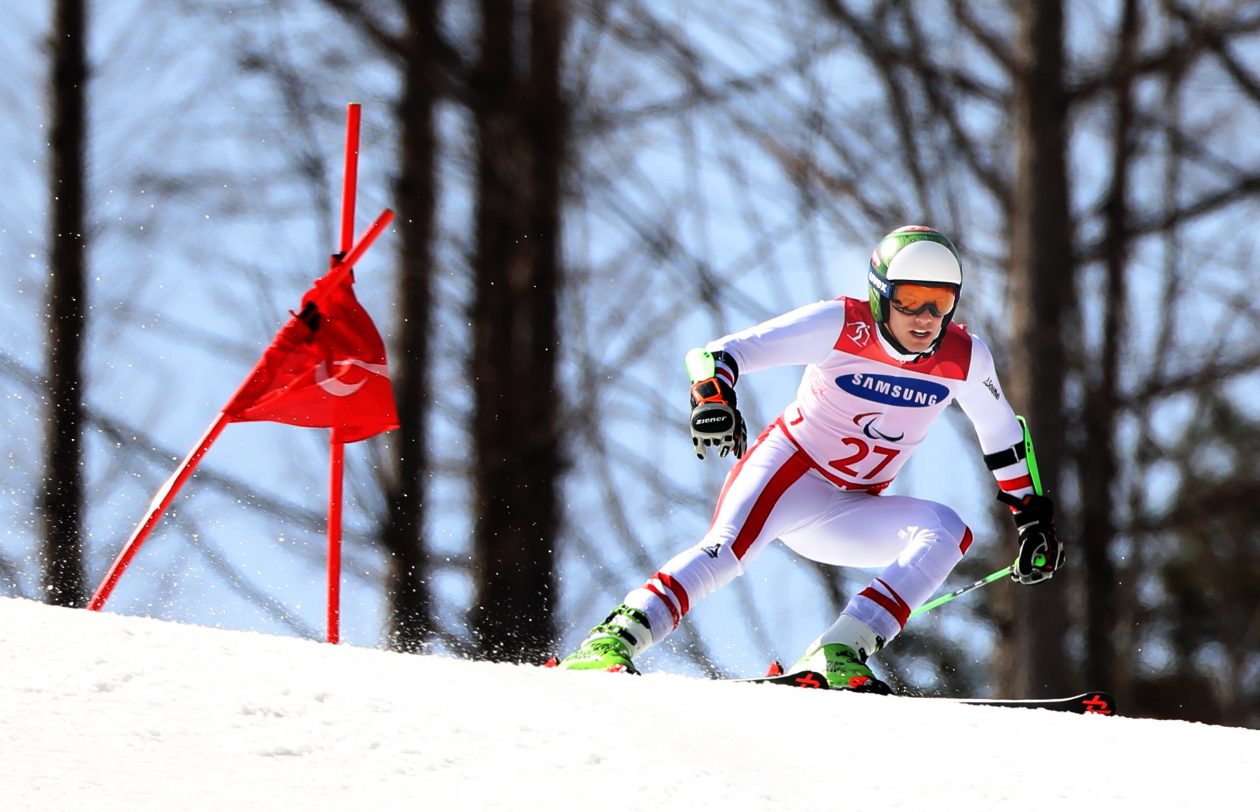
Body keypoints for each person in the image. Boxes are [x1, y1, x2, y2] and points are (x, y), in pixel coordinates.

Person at [556, 225, 1064, 692]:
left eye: (939, 303)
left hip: (852, 506)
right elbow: (718, 353)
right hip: (788, 474)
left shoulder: (964, 357)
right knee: (725, 554)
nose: (924, 319)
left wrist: (1032, 516)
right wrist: (713, 398)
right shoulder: (840, 324)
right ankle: (612, 641)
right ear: (880, 293)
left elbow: (1001, 432)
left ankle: (840, 650)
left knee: (947, 530)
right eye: (909, 300)